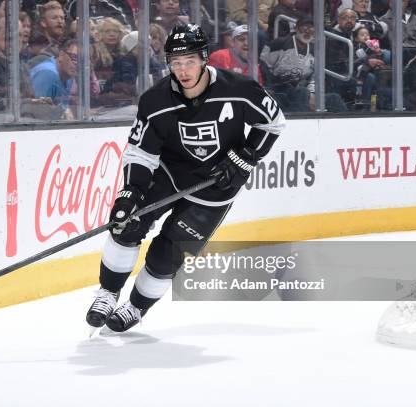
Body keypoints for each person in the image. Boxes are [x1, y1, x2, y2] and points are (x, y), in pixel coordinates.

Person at [85, 24, 286, 333]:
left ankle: (136, 308)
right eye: (176, 63)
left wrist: (244, 158)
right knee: (127, 223)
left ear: (204, 59)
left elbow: (273, 123)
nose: (183, 69)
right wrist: (132, 191)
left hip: (216, 187)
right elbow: (140, 152)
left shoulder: (239, 89)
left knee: (169, 255)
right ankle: (108, 292)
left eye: (189, 61)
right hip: (169, 173)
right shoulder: (155, 100)